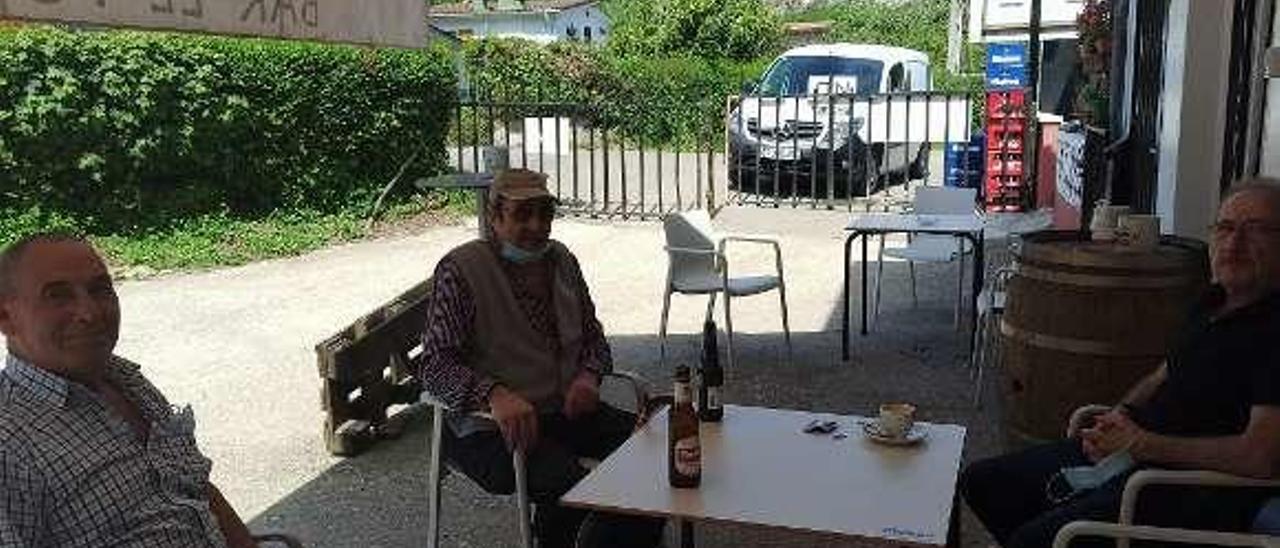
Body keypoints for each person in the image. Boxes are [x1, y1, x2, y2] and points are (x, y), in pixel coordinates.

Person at [961, 178, 1280, 547]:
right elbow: (1166, 371)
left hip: (1188, 486)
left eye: (1256, 230)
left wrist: (1143, 444)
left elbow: (1260, 457)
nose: (1234, 243)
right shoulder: (1213, 302)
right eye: (1225, 227)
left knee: (1034, 540)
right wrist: (1121, 413)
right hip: (1134, 454)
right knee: (982, 482)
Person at [419, 168, 664, 548]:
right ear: (494, 218)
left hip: (562, 412)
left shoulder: (562, 260)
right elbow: (434, 365)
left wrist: (588, 376)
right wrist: (493, 394)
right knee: (572, 483)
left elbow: (594, 338)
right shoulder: (461, 270)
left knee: (656, 452)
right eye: (522, 214)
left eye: (545, 213)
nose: (537, 226)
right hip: (488, 430)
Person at [0, 233, 258, 547]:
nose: (89, 312)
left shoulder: (124, 378)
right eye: (58, 296)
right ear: (6, 317)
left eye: (99, 289)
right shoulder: (9, 445)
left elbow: (194, 488)